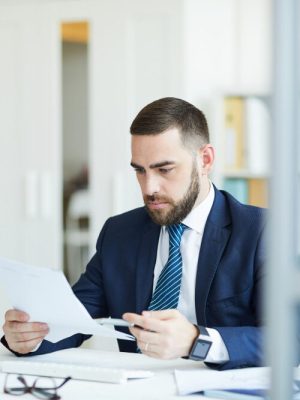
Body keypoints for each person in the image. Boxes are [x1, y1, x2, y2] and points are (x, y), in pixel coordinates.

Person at [2, 97, 266, 370]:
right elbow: (73, 319)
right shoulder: (119, 233)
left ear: (205, 160)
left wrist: (196, 341)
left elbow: (288, 338)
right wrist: (27, 337)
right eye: (140, 171)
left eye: (164, 169)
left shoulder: (260, 231)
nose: (149, 187)